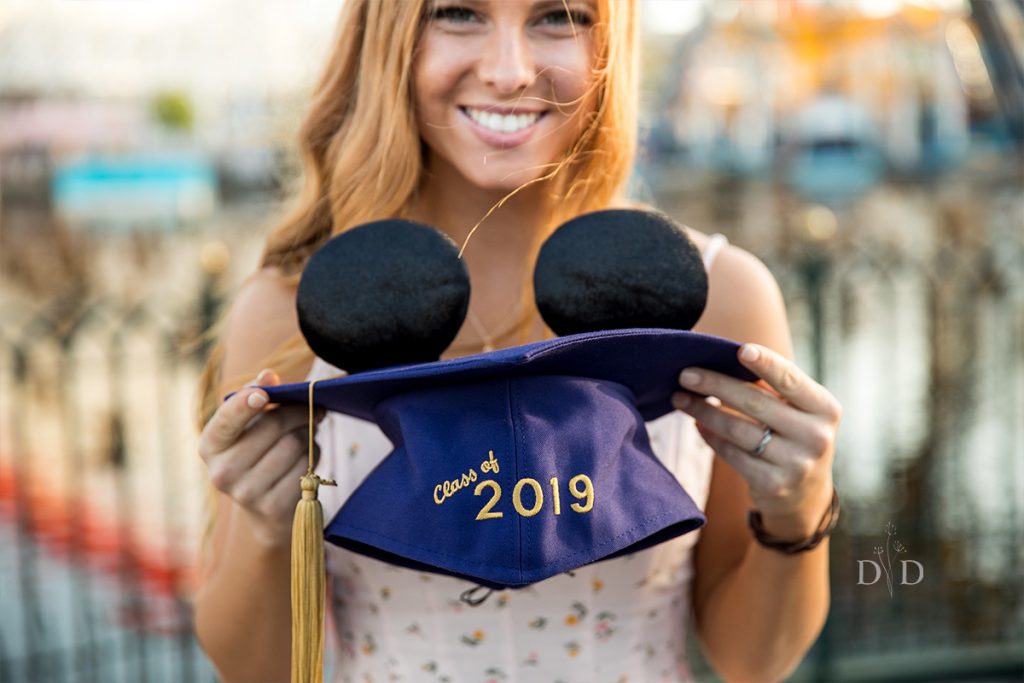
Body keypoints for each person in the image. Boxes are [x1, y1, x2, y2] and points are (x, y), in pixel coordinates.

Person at [192, 1, 842, 681]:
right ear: (388, 38)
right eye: (458, 12)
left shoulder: (719, 296)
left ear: (608, 46)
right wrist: (267, 532)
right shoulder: (289, 316)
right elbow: (259, 670)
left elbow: (753, 661)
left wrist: (799, 502)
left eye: (558, 16)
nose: (510, 71)